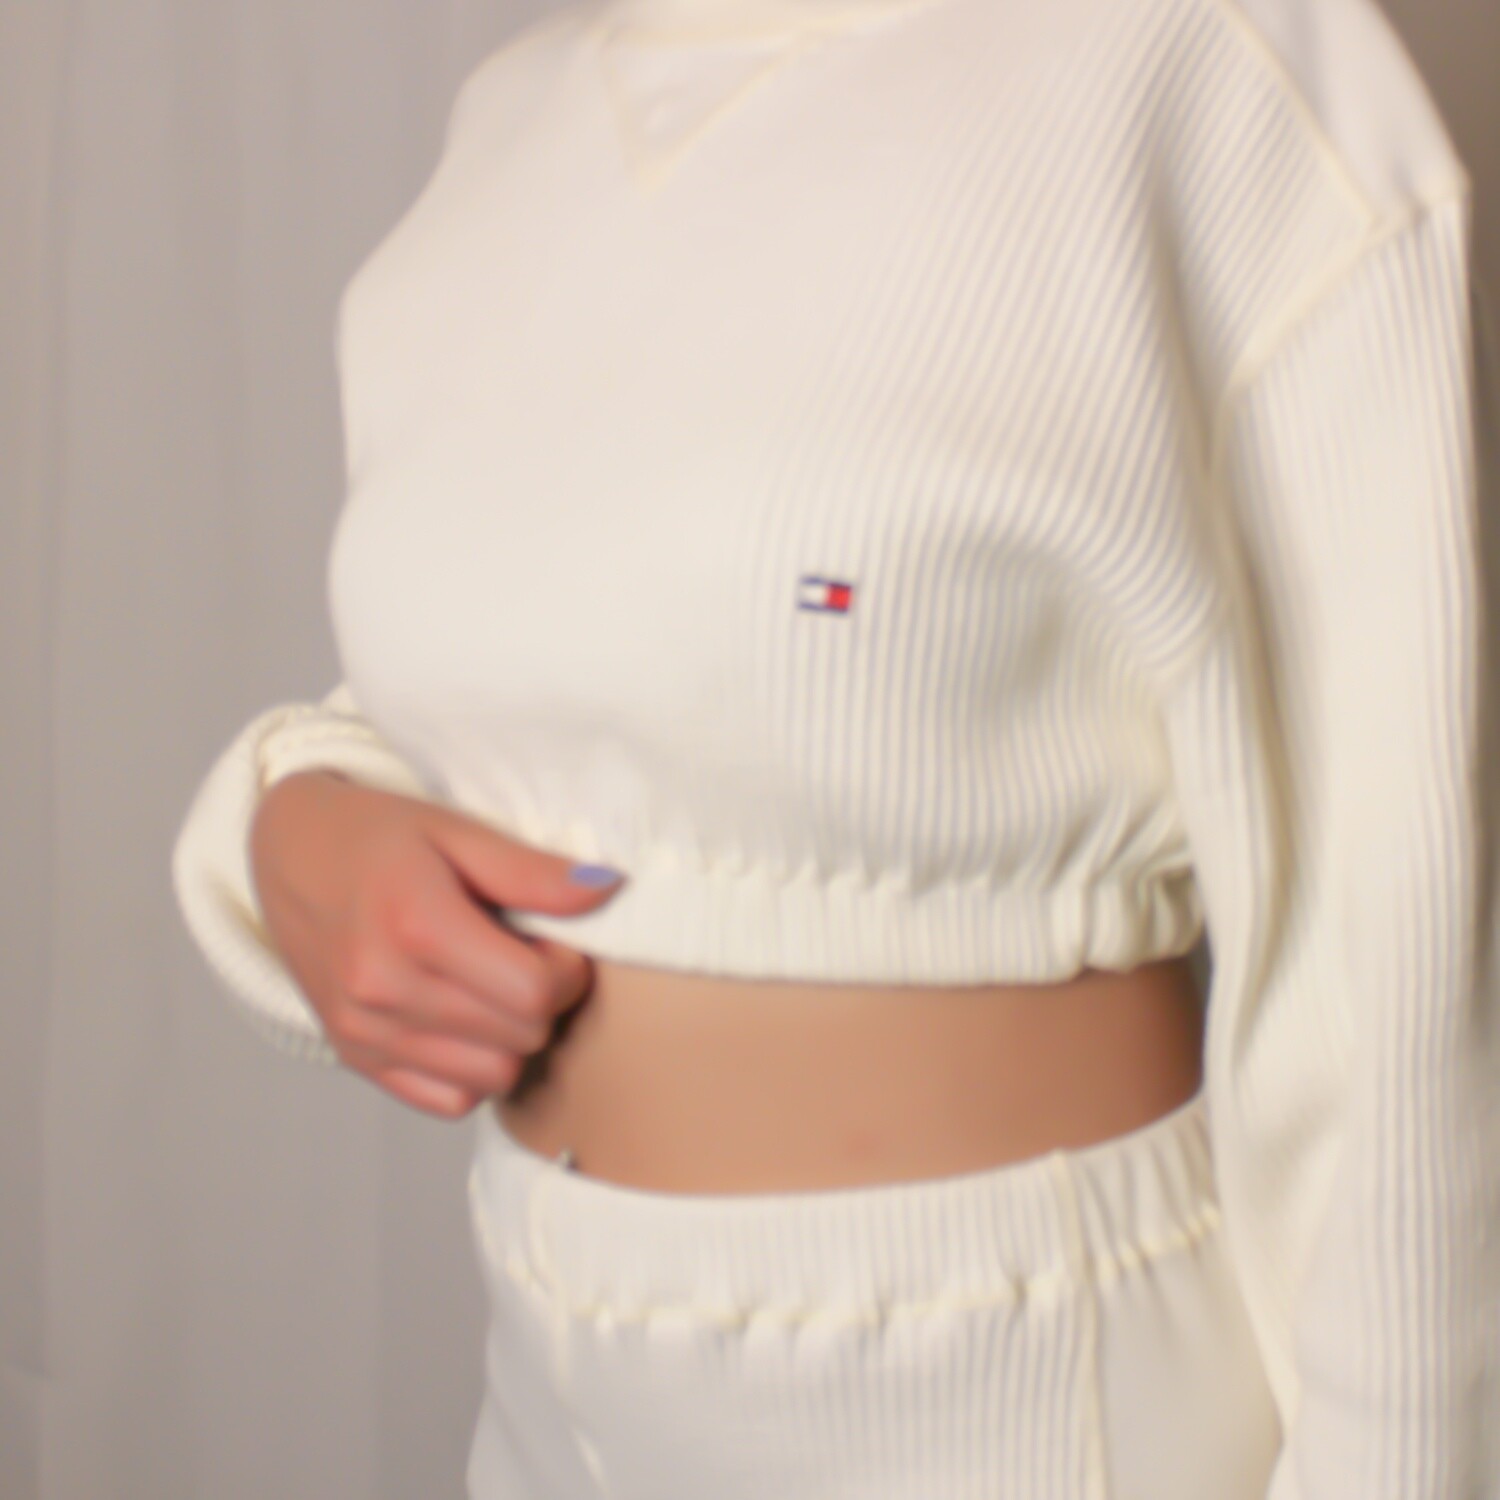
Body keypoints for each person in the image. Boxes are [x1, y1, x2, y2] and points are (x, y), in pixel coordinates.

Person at [172, 0, 1500, 1493]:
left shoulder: (1209, 57)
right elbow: (592, 687)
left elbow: (1395, 951)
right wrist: (287, 822)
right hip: (548, 1399)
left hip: (1012, 1413)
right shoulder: (508, 125)